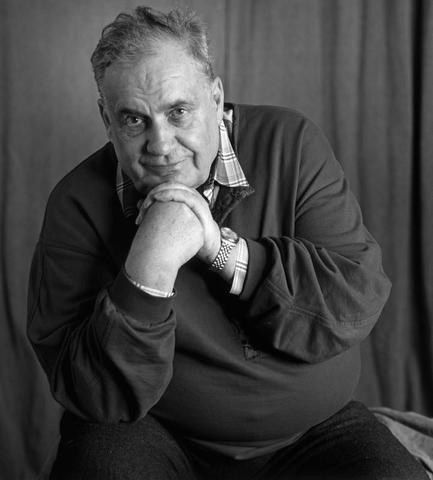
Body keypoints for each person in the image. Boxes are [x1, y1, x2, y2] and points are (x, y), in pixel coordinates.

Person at [27, 6, 429, 480]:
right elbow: (88, 390)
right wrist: (149, 268)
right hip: (155, 430)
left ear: (216, 98)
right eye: (134, 120)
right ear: (106, 119)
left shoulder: (291, 143)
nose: (161, 146)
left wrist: (222, 251)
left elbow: (353, 300)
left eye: (179, 112)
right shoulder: (76, 202)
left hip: (313, 431)